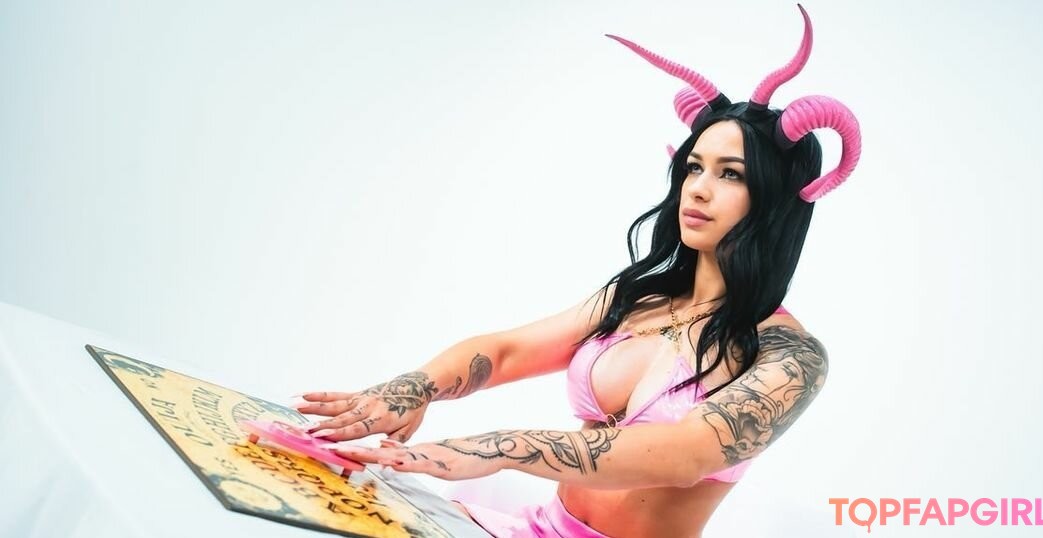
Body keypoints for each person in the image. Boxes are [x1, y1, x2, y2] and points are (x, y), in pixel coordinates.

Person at [293, 4, 861, 537]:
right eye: (694, 167)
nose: (699, 189)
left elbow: (686, 455)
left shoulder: (790, 355)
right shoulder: (639, 299)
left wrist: (493, 449)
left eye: (730, 173)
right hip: (538, 526)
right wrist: (412, 389)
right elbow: (507, 351)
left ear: (774, 197)